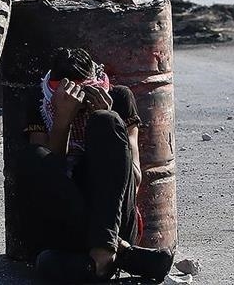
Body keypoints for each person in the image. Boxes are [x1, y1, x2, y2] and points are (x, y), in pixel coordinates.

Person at [20, 47, 174, 283]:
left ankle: (101, 256)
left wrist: (106, 115)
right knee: (35, 156)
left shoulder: (120, 97)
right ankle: (116, 254)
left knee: (107, 122)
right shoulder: (40, 102)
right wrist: (63, 120)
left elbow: (134, 177)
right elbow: (48, 177)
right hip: (66, 222)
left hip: (114, 220)